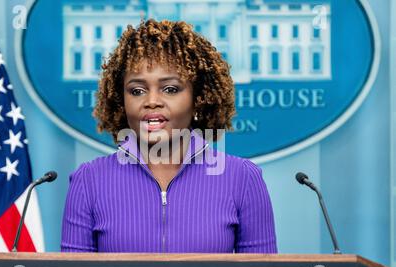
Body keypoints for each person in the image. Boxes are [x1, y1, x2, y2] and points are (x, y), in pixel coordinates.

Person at [61, 19, 277, 253]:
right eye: (137, 91)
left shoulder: (243, 178)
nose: (152, 101)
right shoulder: (89, 180)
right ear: (120, 101)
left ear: (199, 98)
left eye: (170, 89)